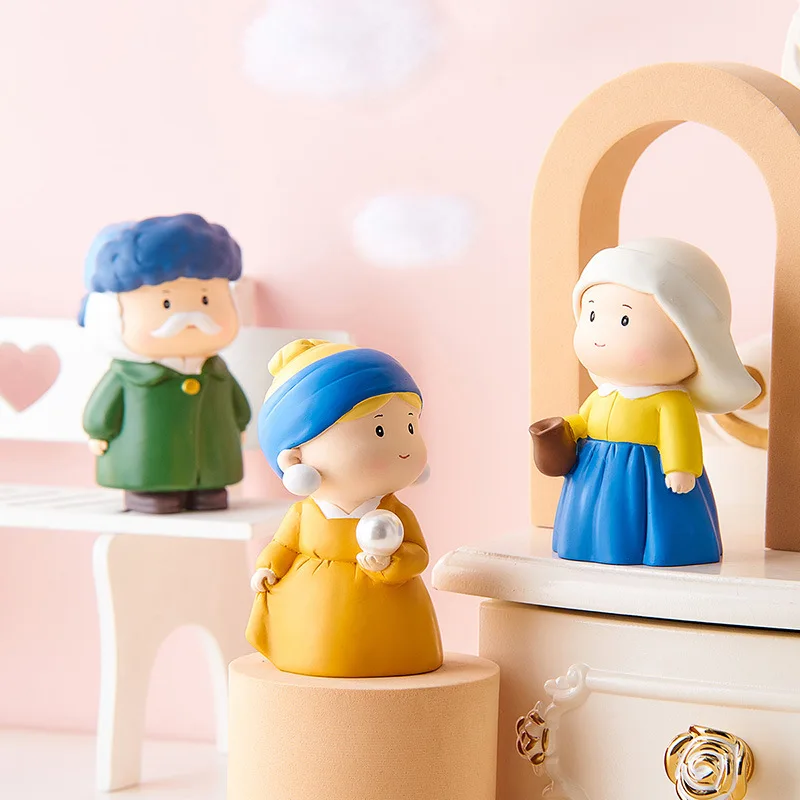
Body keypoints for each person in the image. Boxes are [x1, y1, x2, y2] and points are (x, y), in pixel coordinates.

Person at [537, 238, 760, 567]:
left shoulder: (669, 402)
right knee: (597, 520)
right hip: (596, 473)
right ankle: (588, 543)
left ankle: (655, 549)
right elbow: (586, 420)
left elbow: (680, 434)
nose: (600, 334)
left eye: (624, 320)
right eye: (592, 314)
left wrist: (680, 467)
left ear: (693, 339)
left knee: (649, 525)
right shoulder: (603, 395)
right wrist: (567, 429)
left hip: (648, 477)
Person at [248, 339, 443, 678]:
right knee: (312, 656)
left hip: (389, 619)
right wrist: (267, 567)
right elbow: (283, 547)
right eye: (379, 429)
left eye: (410, 426)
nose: (404, 446)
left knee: (393, 658)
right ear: (295, 457)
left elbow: (418, 554)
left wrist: (391, 562)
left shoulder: (394, 513)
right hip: (312, 618)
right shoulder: (303, 515)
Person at [80, 213, 250, 513]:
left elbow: (237, 404)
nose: (191, 317)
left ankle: (208, 489)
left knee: (211, 488)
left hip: (212, 460)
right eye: (166, 303)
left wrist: (242, 420)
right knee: (155, 485)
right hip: (144, 464)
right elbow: (102, 410)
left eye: (206, 300)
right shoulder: (129, 375)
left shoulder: (215, 371)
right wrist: (98, 431)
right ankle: (148, 492)